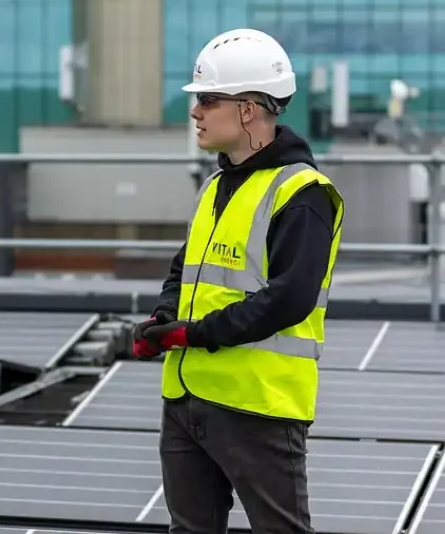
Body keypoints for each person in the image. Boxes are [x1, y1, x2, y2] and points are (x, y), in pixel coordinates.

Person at [131, 28, 344, 533]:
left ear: (248, 108)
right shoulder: (216, 185)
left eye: (207, 100)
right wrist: (164, 318)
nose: (195, 112)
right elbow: (186, 269)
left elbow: (289, 300)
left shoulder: (304, 192)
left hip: (258, 406)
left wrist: (194, 334)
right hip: (187, 399)